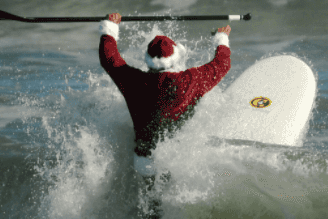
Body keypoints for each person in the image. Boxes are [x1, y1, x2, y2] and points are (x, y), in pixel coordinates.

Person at [98, 12, 232, 177]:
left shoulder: (133, 81)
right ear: (175, 58)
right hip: (172, 158)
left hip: (142, 160)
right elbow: (222, 64)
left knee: (147, 199)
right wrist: (221, 38)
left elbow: (109, 58)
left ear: (148, 59)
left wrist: (110, 29)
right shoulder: (189, 81)